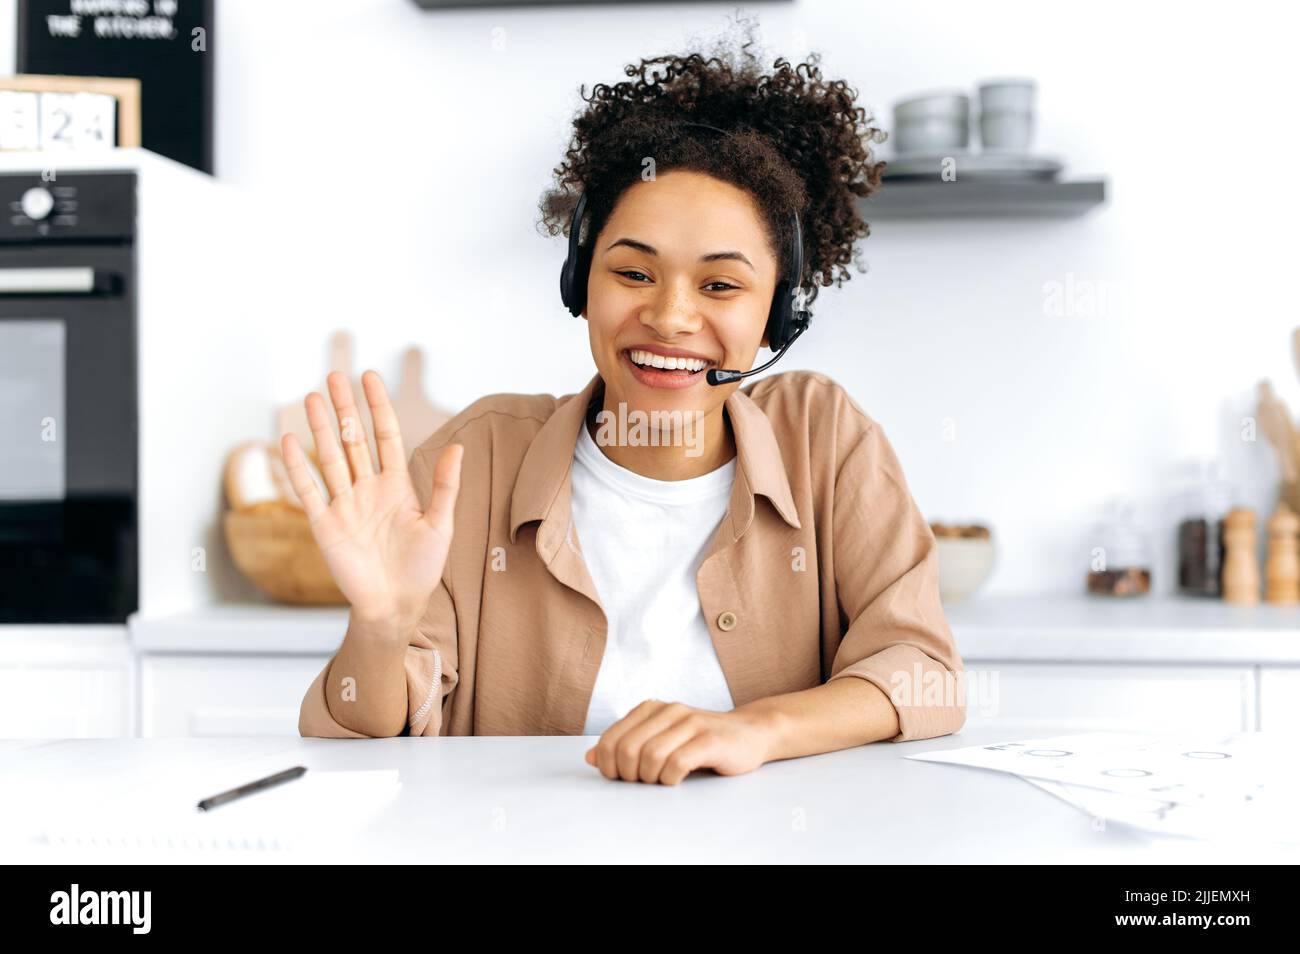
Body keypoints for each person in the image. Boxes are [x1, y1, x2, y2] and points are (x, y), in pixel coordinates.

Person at [287, 25, 966, 785]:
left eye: (720, 285)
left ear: (780, 316)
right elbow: (363, 726)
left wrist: (759, 729)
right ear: (581, 282)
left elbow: (925, 675)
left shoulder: (824, 435)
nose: (672, 318)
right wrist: (380, 629)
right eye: (634, 274)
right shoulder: (474, 458)